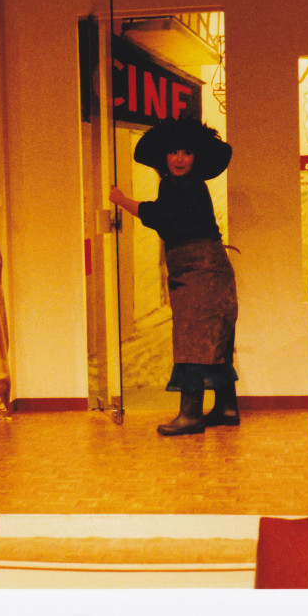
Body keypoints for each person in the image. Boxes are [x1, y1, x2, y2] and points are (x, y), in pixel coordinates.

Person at [109, 118, 239, 436]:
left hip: (202, 270)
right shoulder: (181, 184)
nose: (180, 159)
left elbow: (160, 216)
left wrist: (122, 201)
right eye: (173, 152)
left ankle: (191, 415)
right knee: (214, 340)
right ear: (164, 156)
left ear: (196, 157)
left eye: (187, 152)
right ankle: (226, 407)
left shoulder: (185, 185)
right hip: (206, 269)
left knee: (193, 340)